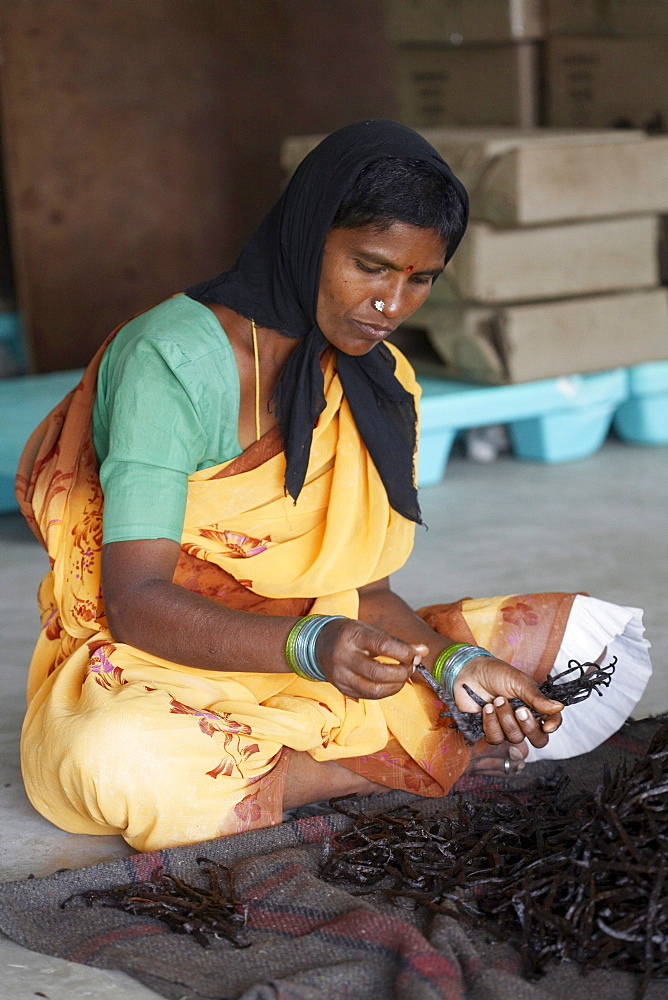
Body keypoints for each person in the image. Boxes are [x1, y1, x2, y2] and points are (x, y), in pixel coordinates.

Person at [16, 120, 651, 853]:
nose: (392, 304)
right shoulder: (174, 361)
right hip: (166, 661)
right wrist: (314, 647)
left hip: (318, 653)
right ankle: (377, 767)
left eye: (421, 280)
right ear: (307, 235)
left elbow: (364, 594)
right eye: (371, 266)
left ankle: (377, 739)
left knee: (569, 659)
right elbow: (134, 604)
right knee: (118, 761)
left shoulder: (381, 384)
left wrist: (455, 666)